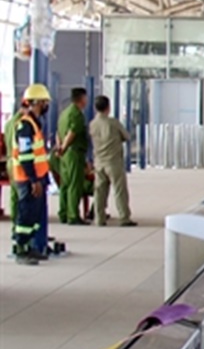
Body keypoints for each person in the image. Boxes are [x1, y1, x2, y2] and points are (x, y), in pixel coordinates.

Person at [11, 84, 53, 265]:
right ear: (35, 103)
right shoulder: (25, 127)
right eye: (44, 102)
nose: (46, 106)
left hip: (37, 178)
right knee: (25, 215)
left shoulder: (34, 124)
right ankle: (21, 249)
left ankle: (29, 248)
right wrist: (34, 180)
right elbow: (25, 156)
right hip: (28, 179)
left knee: (34, 216)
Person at [89, 95, 136, 227]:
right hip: (113, 161)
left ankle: (99, 218)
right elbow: (126, 136)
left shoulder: (92, 124)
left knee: (99, 191)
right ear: (108, 107)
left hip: (99, 162)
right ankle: (124, 217)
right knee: (119, 190)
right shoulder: (113, 123)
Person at [56, 87, 89, 225]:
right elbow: (72, 132)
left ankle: (63, 213)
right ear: (81, 99)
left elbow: (58, 132)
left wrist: (60, 148)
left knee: (65, 184)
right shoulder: (76, 114)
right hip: (73, 152)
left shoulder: (64, 113)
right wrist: (64, 147)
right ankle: (73, 215)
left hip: (63, 154)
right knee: (75, 184)